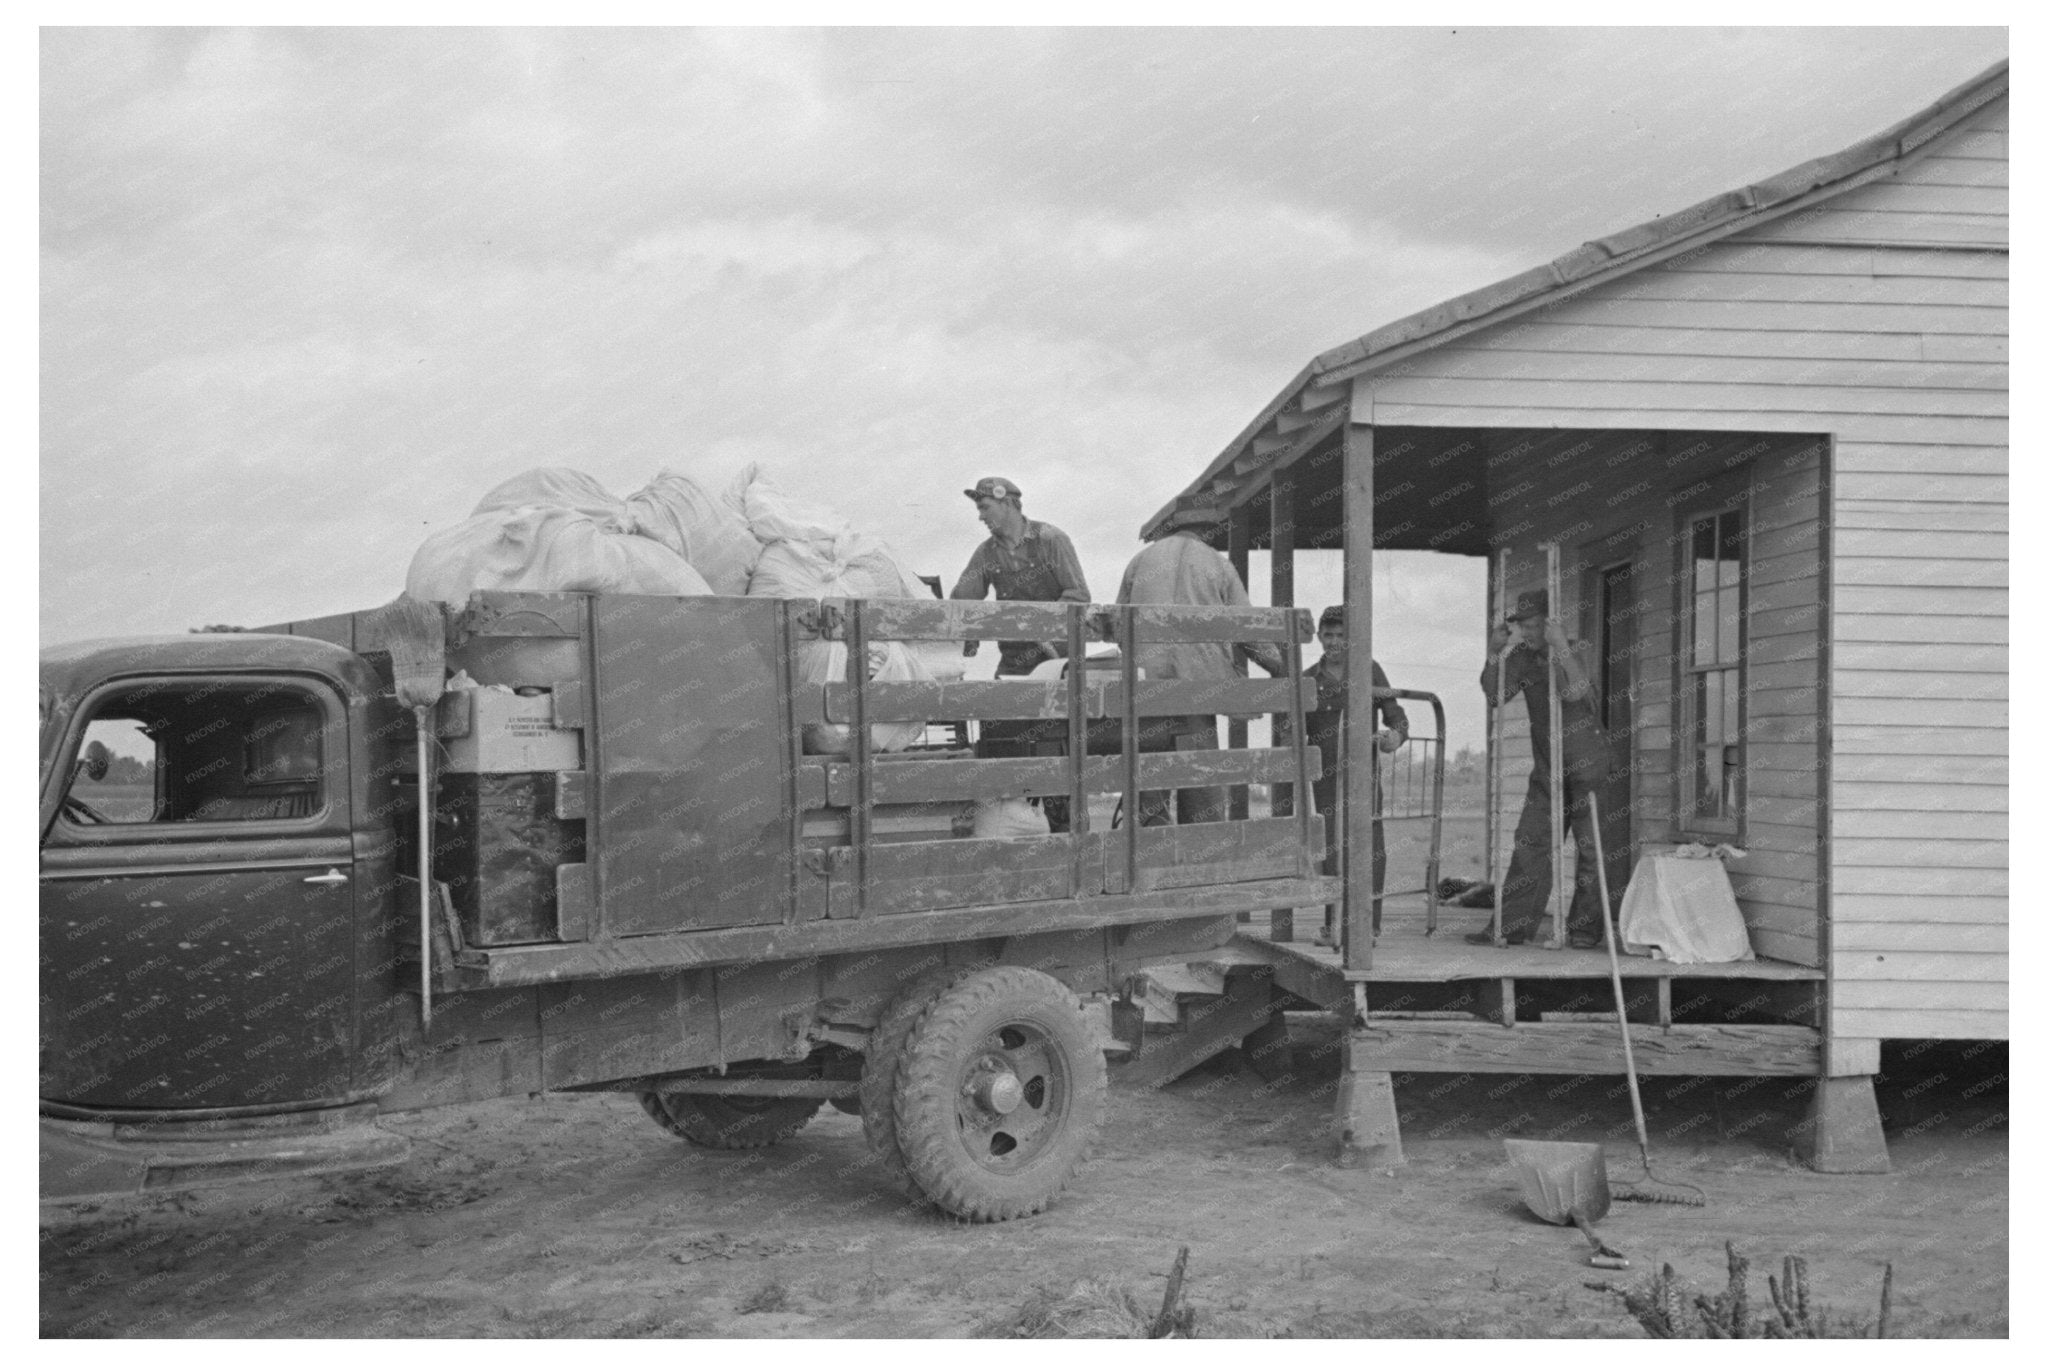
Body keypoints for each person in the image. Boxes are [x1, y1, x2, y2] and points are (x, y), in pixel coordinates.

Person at [1114, 521, 1284, 826]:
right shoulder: (1217, 563)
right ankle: (1202, 860)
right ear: (1207, 533)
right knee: (1203, 789)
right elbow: (1245, 627)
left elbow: (1118, 625)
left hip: (1146, 693)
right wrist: (1281, 669)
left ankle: (1151, 860)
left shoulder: (1140, 562)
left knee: (1150, 790)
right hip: (1198, 691)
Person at [1469, 589, 1613, 948]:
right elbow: (1494, 695)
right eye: (1523, 626)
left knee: (1591, 849)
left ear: (1549, 622)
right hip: (1549, 768)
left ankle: (1583, 931)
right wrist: (1493, 653)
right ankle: (1511, 927)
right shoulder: (1521, 656)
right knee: (1530, 842)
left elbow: (1577, 691)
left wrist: (1559, 646)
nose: (1528, 633)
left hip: (1587, 764)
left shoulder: (1576, 647)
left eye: (1533, 626)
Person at [951, 477, 1091, 831]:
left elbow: (1078, 595)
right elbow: (964, 598)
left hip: (1056, 661)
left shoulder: (1051, 540)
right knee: (1003, 734)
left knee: (1056, 746)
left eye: (984, 508)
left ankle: (1066, 832)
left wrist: (1040, 625)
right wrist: (965, 632)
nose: (981, 517)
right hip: (1014, 661)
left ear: (1008, 503)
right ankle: (1013, 824)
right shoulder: (988, 553)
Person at [1274, 606, 1407, 935]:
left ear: (1351, 639)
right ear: (1318, 636)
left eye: (1340, 635)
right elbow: (1289, 728)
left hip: (1364, 776)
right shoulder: (1306, 679)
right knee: (1332, 849)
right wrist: (1290, 738)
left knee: (1370, 848)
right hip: (1325, 779)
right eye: (1328, 635)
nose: (1333, 642)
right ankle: (1335, 924)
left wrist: (1396, 737)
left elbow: (1396, 715)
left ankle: (1368, 927)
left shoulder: (1369, 671)